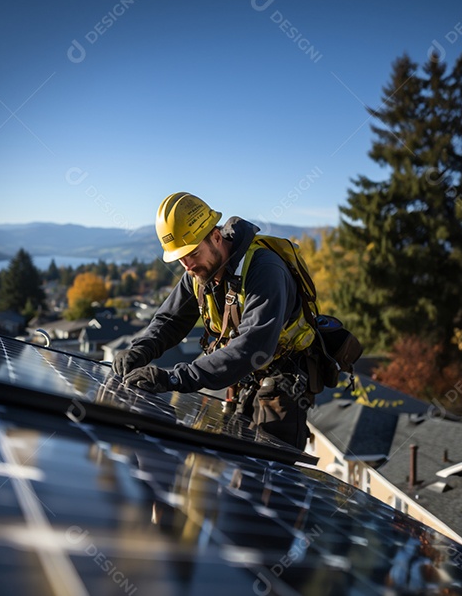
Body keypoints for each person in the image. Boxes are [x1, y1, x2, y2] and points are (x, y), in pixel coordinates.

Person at [112, 192, 316, 448]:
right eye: (180, 258)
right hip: (244, 378)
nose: (187, 265)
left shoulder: (265, 270)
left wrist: (174, 379)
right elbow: (170, 320)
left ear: (217, 237)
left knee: (271, 461)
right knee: (237, 455)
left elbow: (254, 347)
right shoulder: (198, 271)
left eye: (193, 253)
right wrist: (140, 350)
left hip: (283, 379)